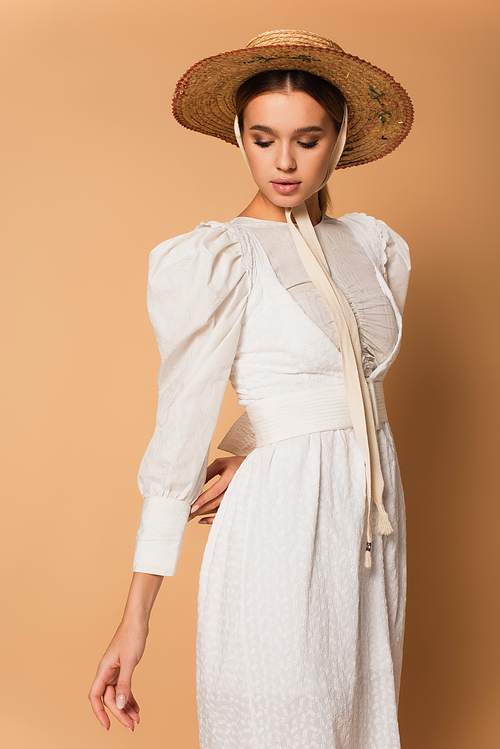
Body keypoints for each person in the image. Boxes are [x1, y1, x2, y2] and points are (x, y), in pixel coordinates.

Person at [89, 29, 413, 748]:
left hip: (369, 524)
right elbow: (179, 434)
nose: (286, 161)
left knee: (361, 723)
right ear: (240, 137)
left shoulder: (372, 245)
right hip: (281, 525)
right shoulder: (219, 256)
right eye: (264, 139)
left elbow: (339, 380)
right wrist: (134, 618)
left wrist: (252, 444)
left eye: (307, 137)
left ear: (341, 137)